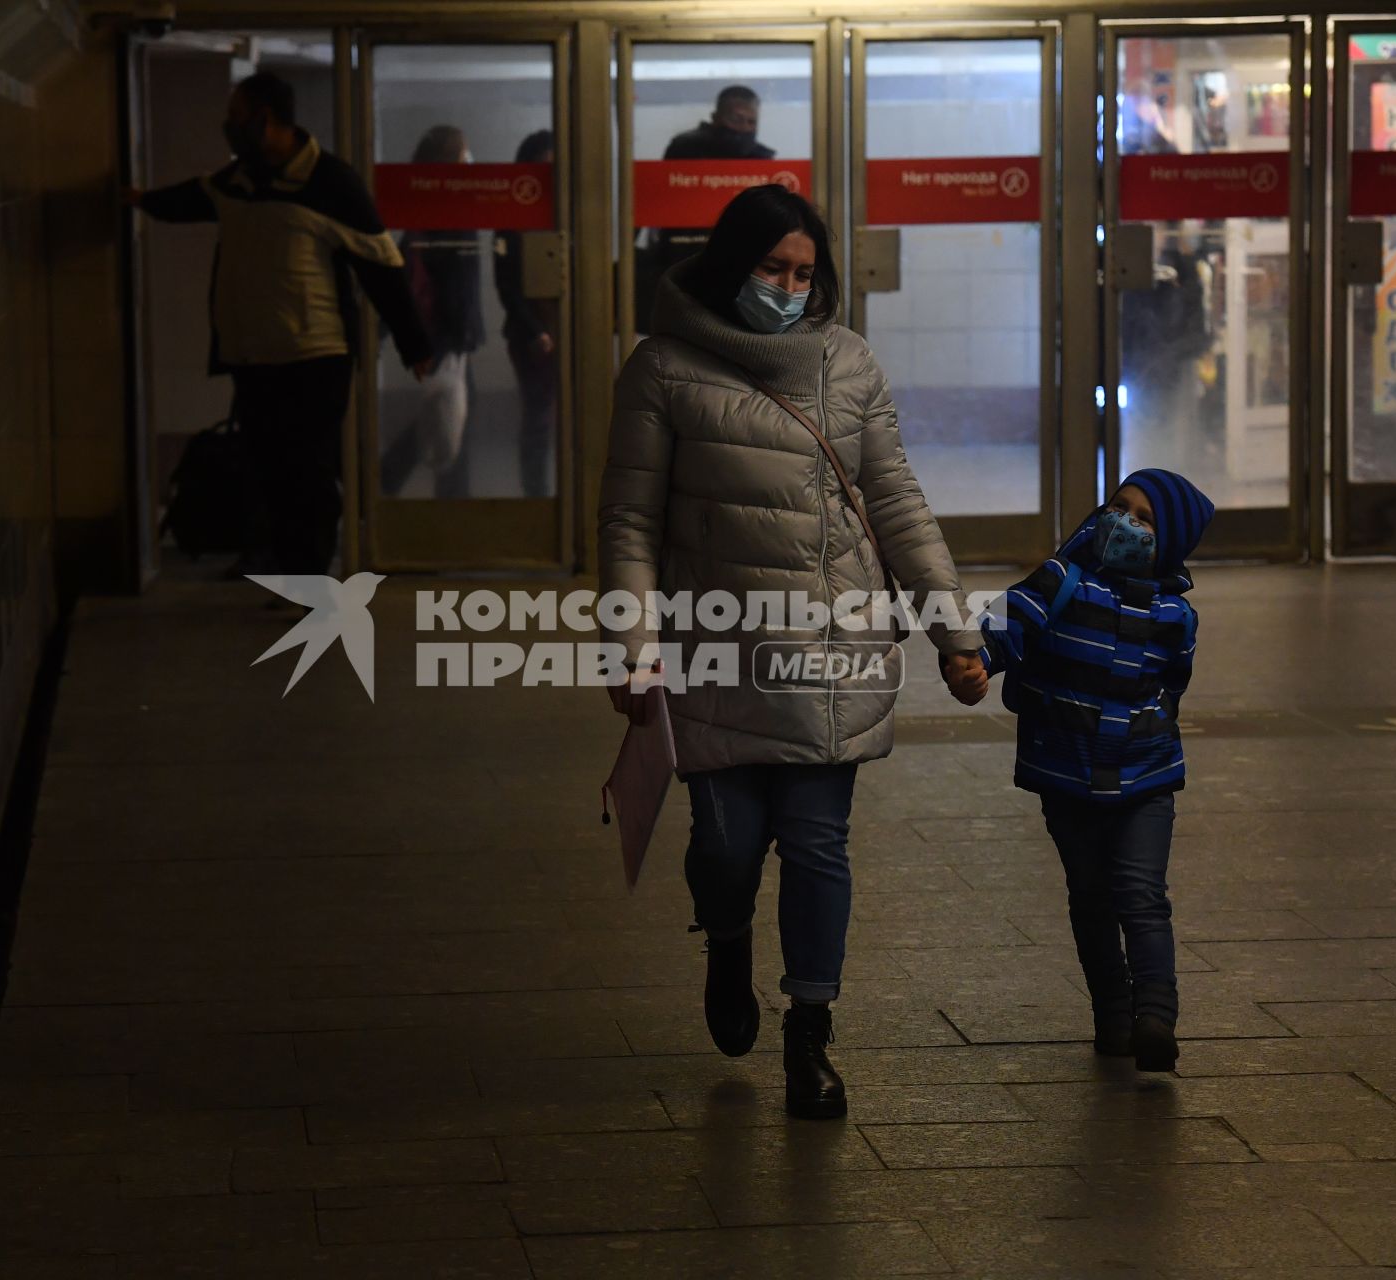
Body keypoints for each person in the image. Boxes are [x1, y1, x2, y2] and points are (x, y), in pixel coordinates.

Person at [599, 184, 986, 1120]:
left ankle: (809, 1035)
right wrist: (631, 645)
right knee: (728, 847)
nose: (788, 286)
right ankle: (727, 938)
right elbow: (629, 522)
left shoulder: (847, 364)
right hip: (716, 650)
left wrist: (954, 632)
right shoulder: (661, 369)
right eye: (773, 267)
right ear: (732, 263)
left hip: (831, 652)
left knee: (817, 847)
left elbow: (897, 502)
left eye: (805, 272)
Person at [955, 469, 1214, 1072]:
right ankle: (1112, 1015)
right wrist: (979, 662)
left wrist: (1146, 731)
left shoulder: (1177, 616)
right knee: (1092, 896)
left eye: (1143, 519)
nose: (1123, 523)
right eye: (1118, 507)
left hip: (1147, 778)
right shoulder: (1061, 582)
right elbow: (1006, 623)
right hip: (1068, 776)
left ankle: (1156, 1017)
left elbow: (1173, 684)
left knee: (1142, 896)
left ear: (1169, 542)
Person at [126, 72, 432, 575]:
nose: (230, 127)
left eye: (236, 116)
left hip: (315, 358)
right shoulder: (237, 182)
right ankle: (284, 567)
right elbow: (189, 199)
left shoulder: (330, 183)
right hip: (252, 355)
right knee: (268, 468)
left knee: (308, 472)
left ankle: (311, 575)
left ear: (265, 119)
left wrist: (412, 341)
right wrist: (139, 200)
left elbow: (381, 266)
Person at [380, 125, 484, 499]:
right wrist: (461, 335)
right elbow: (452, 286)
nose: (469, 161)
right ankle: (451, 505)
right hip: (446, 337)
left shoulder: (423, 212)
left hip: (444, 336)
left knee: (440, 419)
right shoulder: (450, 216)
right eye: (464, 154)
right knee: (453, 419)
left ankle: (389, 479)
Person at [635, 86, 776, 335]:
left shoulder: (760, 159)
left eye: (751, 121)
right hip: (684, 257)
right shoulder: (685, 149)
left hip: (739, 267)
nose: (743, 128)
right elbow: (657, 198)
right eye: (736, 119)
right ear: (716, 118)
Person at [491, 129, 559, 498]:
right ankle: (536, 496)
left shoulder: (568, 214)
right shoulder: (512, 219)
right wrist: (535, 331)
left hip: (569, 328)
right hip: (531, 333)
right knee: (537, 417)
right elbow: (506, 286)